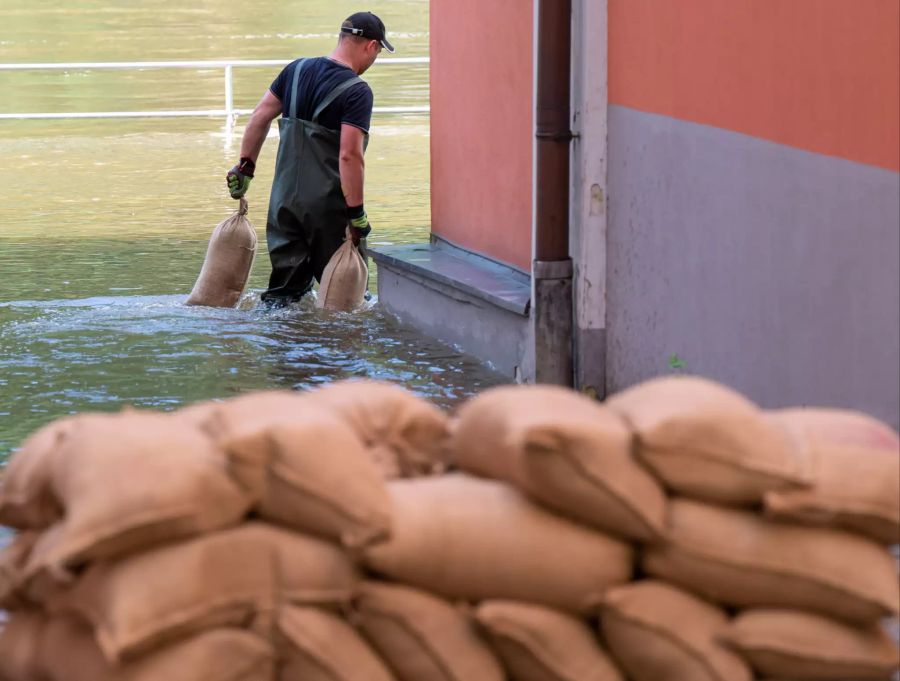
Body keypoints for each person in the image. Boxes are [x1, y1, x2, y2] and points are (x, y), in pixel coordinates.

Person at [226, 12, 394, 305]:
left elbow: (259, 116)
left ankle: (280, 347)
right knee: (348, 301)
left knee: (284, 299)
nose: (374, 59)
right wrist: (357, 215)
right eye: (378, 51)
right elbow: (349, 154)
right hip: (328, 211)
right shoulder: (357, 91)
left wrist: (245, 168)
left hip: (283, 205)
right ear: (370, 46)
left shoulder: (296, 70)